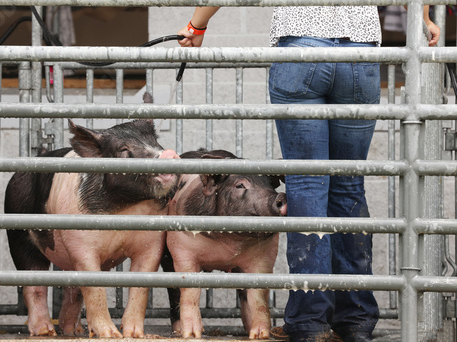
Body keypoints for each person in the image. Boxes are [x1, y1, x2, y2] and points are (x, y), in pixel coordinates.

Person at [178, 5, 440, 342]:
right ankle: (356, 319)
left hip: (301, 50)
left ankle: (309, 322)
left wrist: (196, 26)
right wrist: (426, 17)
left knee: (306, 184)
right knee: (348, 185)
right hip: (359, 55)